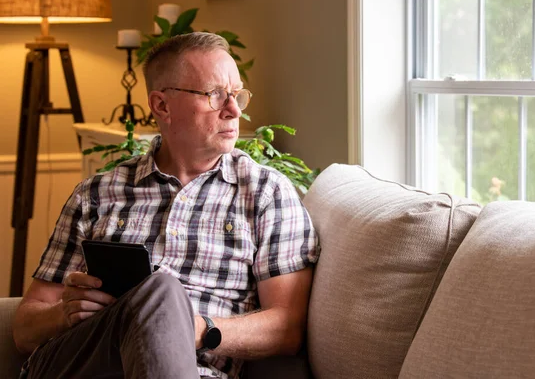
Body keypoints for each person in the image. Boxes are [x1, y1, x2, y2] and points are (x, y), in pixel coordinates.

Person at [12, 32, 320, 379]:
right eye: (215, 95)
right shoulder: (95, 195)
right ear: (161, 106)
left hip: (196, 370)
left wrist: (194, 329)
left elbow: (287, 329)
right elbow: (23, 329)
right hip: (84, 365)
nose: (234, 110)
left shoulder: (265, 193)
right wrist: (63, 313)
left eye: (237, 95)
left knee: (161, 295)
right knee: (161, 290)